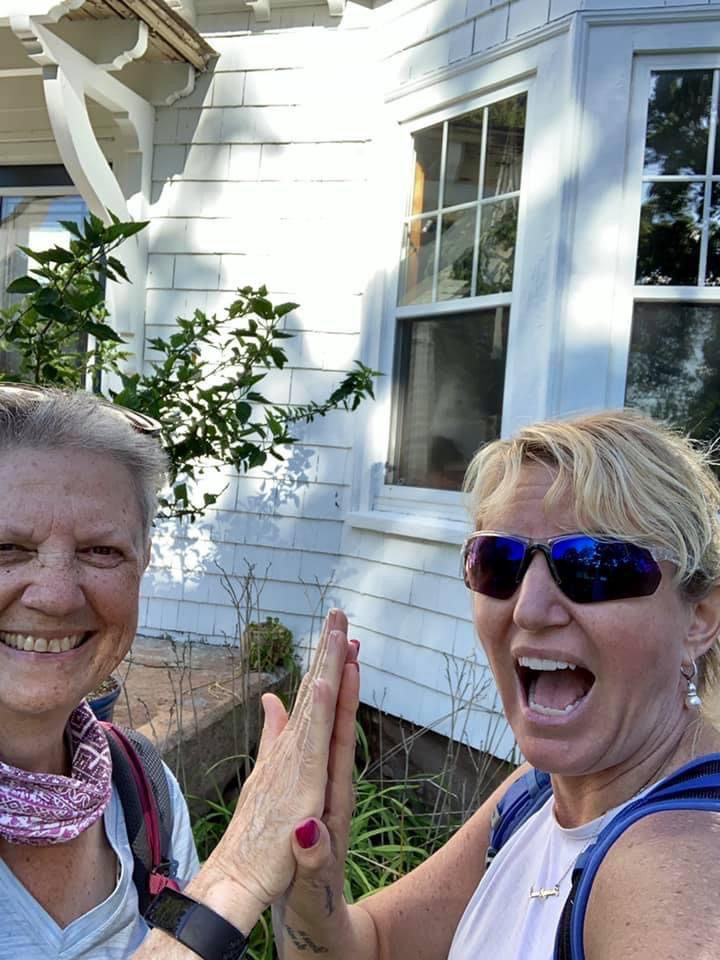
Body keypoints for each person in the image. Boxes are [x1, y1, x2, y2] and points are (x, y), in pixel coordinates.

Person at [259, 410, 720, 960]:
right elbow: (370, 947)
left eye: (595, 565)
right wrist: (310, 879)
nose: (530, 608)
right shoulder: (534, 794)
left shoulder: (679, 863)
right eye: (499, 562)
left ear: (699, 620)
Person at [0, 384, 357, 960]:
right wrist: (236, 878)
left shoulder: (141, 790)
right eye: (8, 547)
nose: (58, 595)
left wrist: (309, 900)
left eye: (102, 552)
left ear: (142, 569)